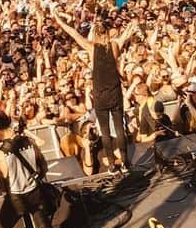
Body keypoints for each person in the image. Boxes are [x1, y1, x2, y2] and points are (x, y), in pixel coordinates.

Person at [52, 10, 134, 172]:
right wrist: (130, 25)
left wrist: (60, 21)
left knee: (104, 129)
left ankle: (111, 165)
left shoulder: (91, 48)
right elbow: (127, 33)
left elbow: (74, 33)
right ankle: (124, 162)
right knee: (118, 127)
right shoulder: (115, 45)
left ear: (95, 34)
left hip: (100, 95)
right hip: (115, 93)